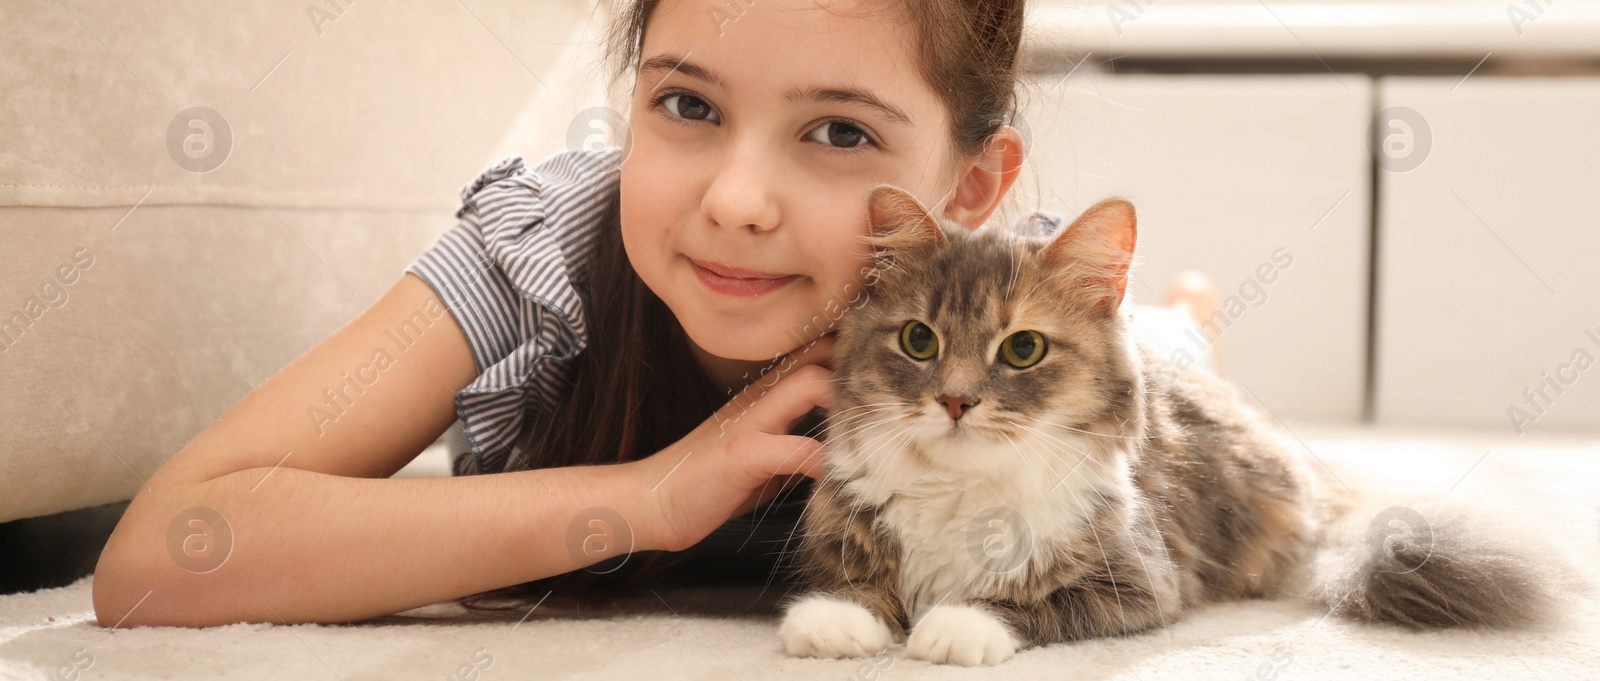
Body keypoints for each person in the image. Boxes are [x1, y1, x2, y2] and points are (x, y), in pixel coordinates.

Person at [91, 0, 1205, 627]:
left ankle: (1184, 324)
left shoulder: (988, 317)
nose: (733, 203)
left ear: (967, 188)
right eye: (685, 105)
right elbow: (156, 555)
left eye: (838, 133)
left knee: (1168, 363)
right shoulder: (534, 255)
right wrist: (645, 498)